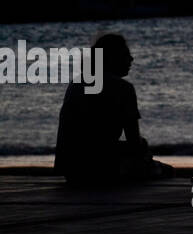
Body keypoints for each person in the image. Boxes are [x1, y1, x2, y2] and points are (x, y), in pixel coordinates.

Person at [55, 33, 169, 184]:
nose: (131, 59)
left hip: (71, 170)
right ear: (113, 58)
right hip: (103, 170)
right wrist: (143, 146)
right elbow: (133, 141)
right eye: (126, 55)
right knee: (166, 170)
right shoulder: (124, 88)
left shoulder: (76, 84)